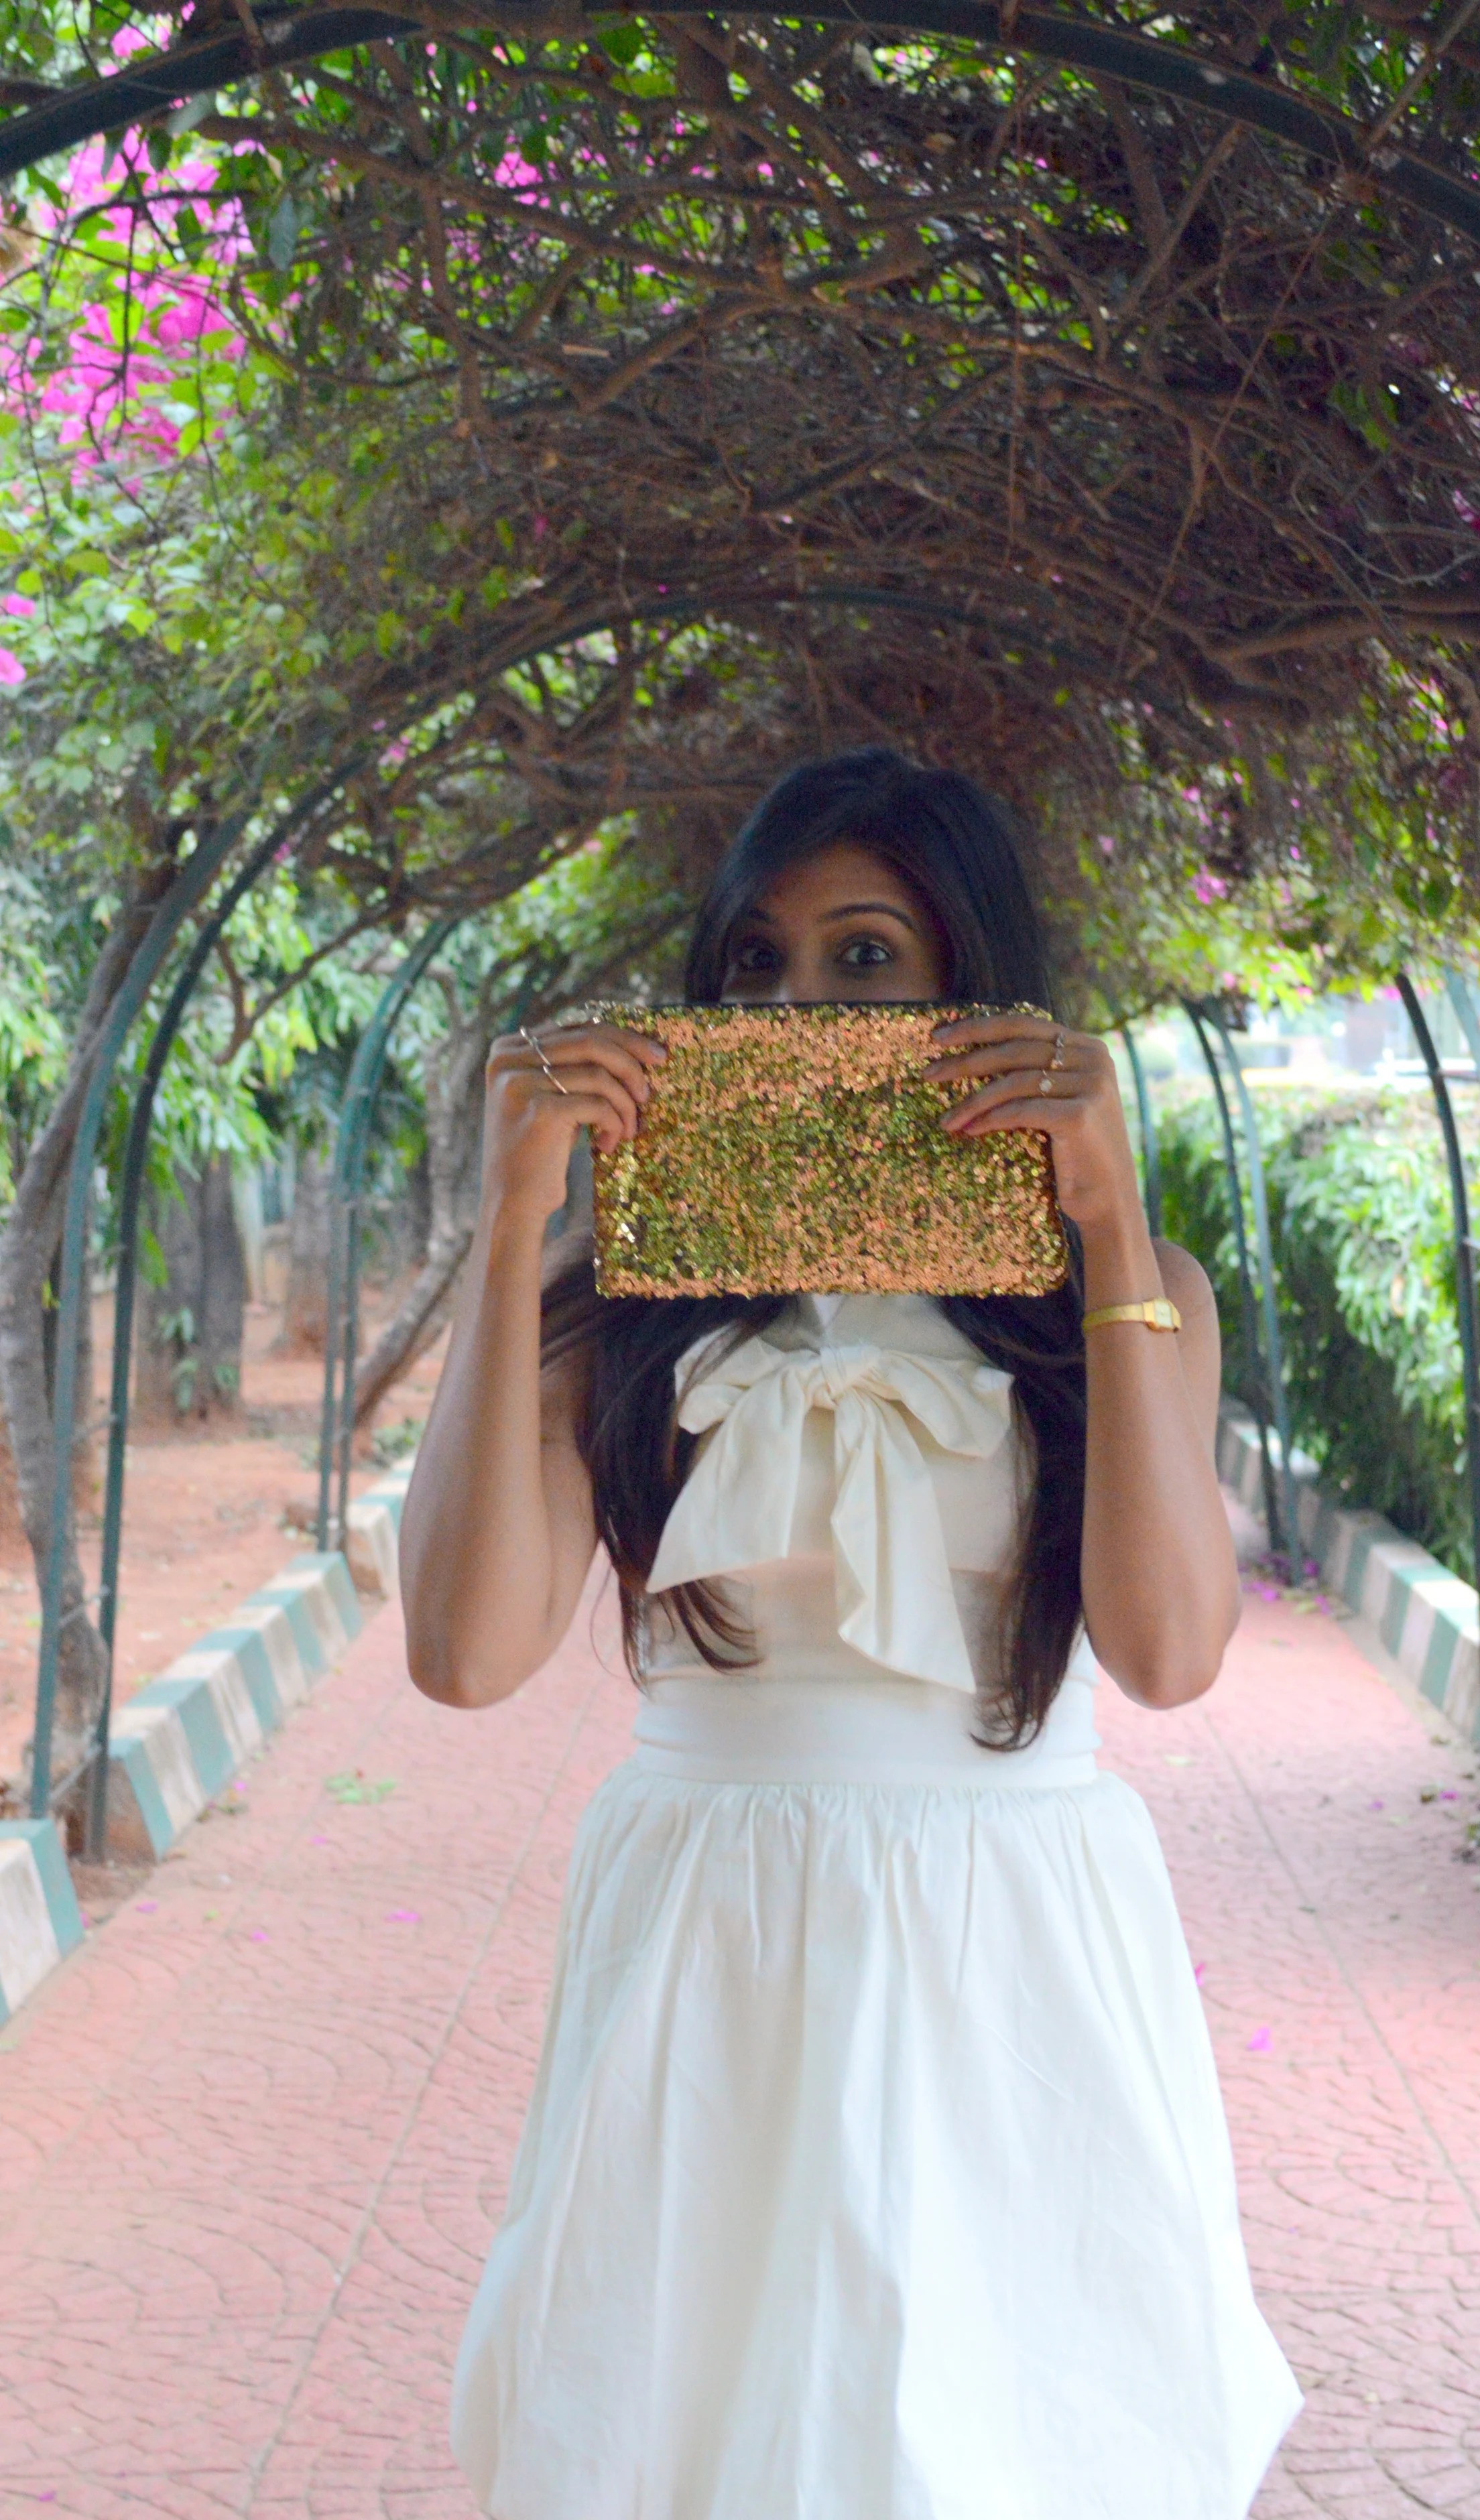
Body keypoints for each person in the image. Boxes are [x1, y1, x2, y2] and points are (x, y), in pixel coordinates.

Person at [400, 745, 1302, 2519]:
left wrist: (1106, 1215)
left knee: (1012, 2445)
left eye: (866, 958)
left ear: (972, 978)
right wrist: (518, 1234)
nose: (803, 1007)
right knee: (689, 2441)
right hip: (707, 1939)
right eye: (759, 962)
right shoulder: (623, 1315)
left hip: (1014, 1938)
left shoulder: (1125, 1301)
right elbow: (463, 1649)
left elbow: (1169, 1651)